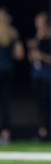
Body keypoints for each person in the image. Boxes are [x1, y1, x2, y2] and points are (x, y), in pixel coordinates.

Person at [27, 11, 51, 141]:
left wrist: (42, 56)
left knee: (46, 103)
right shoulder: (37, 38)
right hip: (36, 75)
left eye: (40, 21)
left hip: (47, 76)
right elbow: (31, 56)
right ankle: (39, 130)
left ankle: (47, 131)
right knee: (37, 105)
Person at [0, 8, 24, 145]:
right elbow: (19, 54)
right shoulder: (12, 33)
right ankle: (6, 133)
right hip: (8, 70)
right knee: (5, 102)